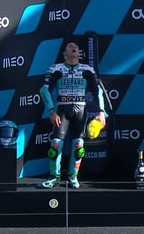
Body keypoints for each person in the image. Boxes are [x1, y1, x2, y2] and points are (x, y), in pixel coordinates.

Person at [39, 41, 106, 189]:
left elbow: (98, 91)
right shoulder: (56, 68)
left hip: (81, 109)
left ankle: (72, 176)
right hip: (61, 109)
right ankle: (53, 177)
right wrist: (51, 111)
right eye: (70, 46)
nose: (74, 47)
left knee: (79, 146)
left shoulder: (87, 69)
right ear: (64, 53)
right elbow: (44, 90)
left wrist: (101, 112)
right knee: (55, 145)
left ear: (79, 53)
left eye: (76, 46)